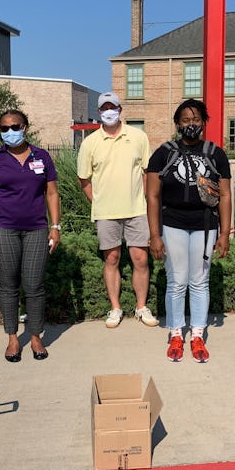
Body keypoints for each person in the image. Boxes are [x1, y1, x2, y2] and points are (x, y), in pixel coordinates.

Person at [147, 99, 232, 363]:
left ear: (204, 123)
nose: (191, 125)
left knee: (199, 280)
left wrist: (225, 233)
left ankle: (197, 333)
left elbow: (226, 195)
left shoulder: (215, 154)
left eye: (196, 120)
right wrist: (155, 235)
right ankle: (175, 332)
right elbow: (152, 196)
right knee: (176, 281)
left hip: (205, 225)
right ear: (177, 124)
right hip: (173, 223)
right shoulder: (163, 153)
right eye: (186, 120)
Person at [0, 109, 60, 362]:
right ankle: (13, 338)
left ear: (25, 127)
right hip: (4, 230)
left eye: (15, 126)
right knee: (9, 287)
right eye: (4, 128)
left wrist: (55, 227)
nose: (10, 132)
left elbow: (52, 194)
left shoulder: (42, 157)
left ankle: (36, 336)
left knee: (34, 286)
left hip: (36, 229)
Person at [77, 91, 158, 329]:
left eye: (113, 107)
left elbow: (146, 172)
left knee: (140, 259)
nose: (109, 112)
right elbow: (84, 179)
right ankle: (115, 308)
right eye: (104, 108)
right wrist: (98, 201)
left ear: (121, 110)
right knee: (111, 258)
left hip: (136, 210)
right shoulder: (90, 142)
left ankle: (141, 307)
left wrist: (142, 199)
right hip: (105, 213)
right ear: (99, 112)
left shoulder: (138, 137)